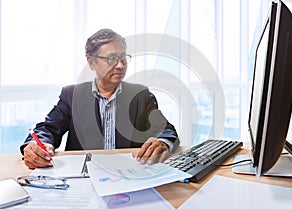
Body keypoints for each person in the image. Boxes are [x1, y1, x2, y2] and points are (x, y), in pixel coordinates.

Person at [20, 28, 179, 169]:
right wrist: (35, 145)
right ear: (91, 62)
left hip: (130, 174)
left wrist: (163, 141)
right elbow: (47, 128)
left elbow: (164, 129)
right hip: (83, 177)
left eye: (123, 58)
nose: (120, 66)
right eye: (111, 59)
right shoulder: (72, 95)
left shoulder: (140, 95)